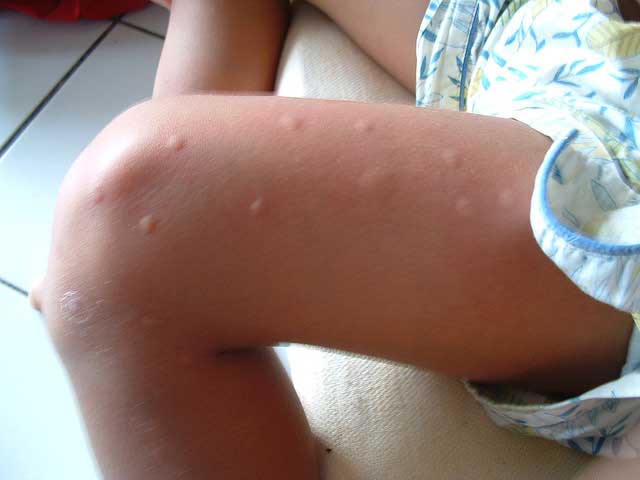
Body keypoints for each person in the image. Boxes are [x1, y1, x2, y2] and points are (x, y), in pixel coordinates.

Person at [28, 0, 640, 478]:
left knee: (130, 222)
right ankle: (184, 271)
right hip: (545, 27)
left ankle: (164, 279)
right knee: (137, 240)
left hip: (616, 164)